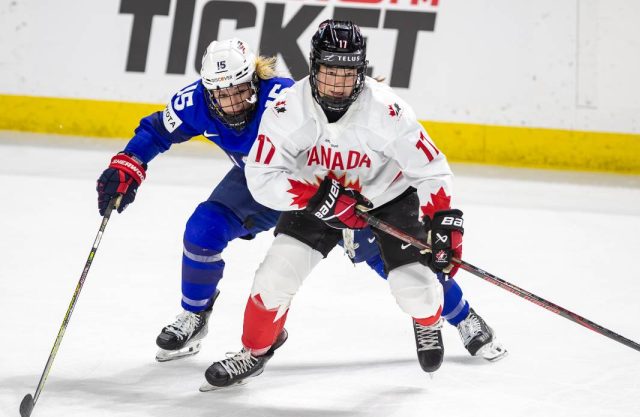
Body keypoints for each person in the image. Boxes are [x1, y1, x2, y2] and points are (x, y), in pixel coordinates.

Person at [94, 37, 506, 371]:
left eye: (240, 91)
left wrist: (348, 194)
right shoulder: (197, 103)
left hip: (327, 186)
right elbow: (155, 131)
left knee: (397, 262)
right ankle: (194, 315)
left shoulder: (284, 98)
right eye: (222, 95)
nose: (232, 104)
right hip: (267, 184)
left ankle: (460, 315)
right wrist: (128, 164)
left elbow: (356, 137)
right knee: (203, 231)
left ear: (255, 80)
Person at [202, 20, 496, 390]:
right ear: (313, 67)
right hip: (317, 197)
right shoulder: (287, 108)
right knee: (273, 277)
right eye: (329, 73)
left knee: (415, 288)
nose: (337, 85)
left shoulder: (388, 110)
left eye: (347, 74)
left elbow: (430, 167)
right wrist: (313, 197)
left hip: (387, 199)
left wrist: (445, 220)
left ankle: (427, 320)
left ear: (361, 72)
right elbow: (261, 176)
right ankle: (254, 351)